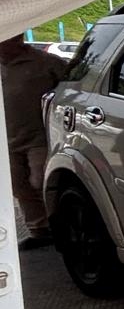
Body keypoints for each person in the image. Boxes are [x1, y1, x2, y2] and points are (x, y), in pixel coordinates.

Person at [0, 36, 67, 249]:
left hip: (39, 136)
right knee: (18, 186)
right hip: (6, 139)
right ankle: (39, 231)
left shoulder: (45, 62)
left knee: (41, 181)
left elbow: (70, 89)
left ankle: (63, 228)